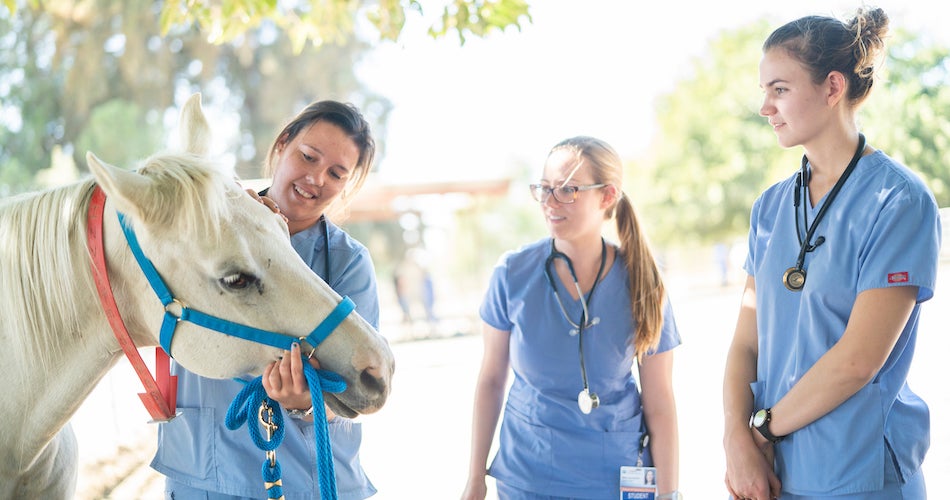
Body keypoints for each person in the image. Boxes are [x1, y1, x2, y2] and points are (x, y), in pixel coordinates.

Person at [722, 7, 941, 500]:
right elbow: (745, 345)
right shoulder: (770, 208)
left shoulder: (898, 201)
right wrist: (735, 437)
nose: (766, 108)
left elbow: (858, 361)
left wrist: (758, 431)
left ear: (832, 87)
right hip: (776, 472)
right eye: (764, 91)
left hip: (858, 476)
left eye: (779, 89)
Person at [151, 99, 381, 500]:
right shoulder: (205, 225)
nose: (316, 178)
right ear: (282, 145)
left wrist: (307, 402)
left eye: (336, 173)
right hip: (200, 473)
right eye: (308, 157)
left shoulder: (348, 264)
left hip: (305, 480)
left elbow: (359, 389)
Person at [462, 136, 682, 500]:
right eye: (544, 188)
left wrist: (669, 493)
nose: (550, 202)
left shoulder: (643, 281)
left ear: (607, 196)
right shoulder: (512, 275)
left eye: (568, 190)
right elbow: (490, 381)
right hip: (528, 478)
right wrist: (474, 477)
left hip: (612, 477)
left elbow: (659, 403)